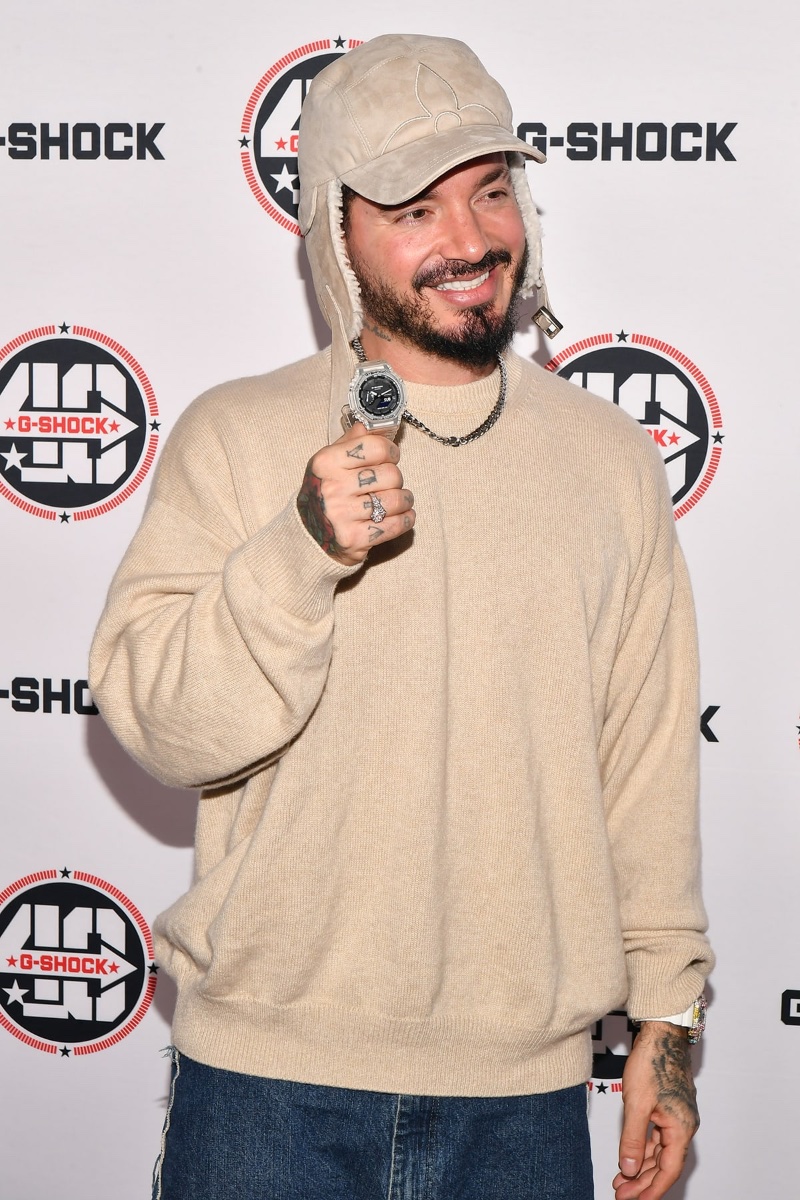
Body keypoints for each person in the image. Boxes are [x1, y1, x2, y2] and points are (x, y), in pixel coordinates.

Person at [89, 33, 714, 1200]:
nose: (470, 241)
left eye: (488, 191)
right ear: (336, 231)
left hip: (522, 1107)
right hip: (264, 1093)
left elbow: (642, 774)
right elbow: (165, 729)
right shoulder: (235, 436)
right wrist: (301, 551)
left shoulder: (606, 461)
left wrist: (664, 1042)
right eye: (415, 209)